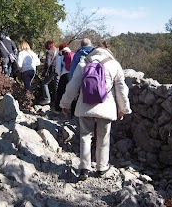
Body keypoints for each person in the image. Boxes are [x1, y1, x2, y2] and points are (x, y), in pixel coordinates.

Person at [60, 46, 132, 181]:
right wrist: (123, 108)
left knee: (85, 136)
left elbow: (72, 86)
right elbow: (121, 89)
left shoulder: (84, 63)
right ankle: (101, 168)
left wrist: (65, 105)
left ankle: (84, 168)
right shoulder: (114, 65)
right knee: (103, 137)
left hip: (85, 106)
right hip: (106, 108)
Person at [54, 43, 74, 113]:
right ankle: (72, 110)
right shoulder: (74, 55)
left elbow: (58, 69)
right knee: (72, 92)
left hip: (64, 75)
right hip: (73, 76)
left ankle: (58, 109)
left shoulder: (61, 57)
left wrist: (59, 74)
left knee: (60, 92)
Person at [37, 40, 58, 105]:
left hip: (52, 70)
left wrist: (44, 72)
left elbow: (47, 64)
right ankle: (57, 101)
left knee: (44, 84)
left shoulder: (49, 52)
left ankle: (47, 99)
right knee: (56, 85)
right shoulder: (57, 51)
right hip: (58, 70)